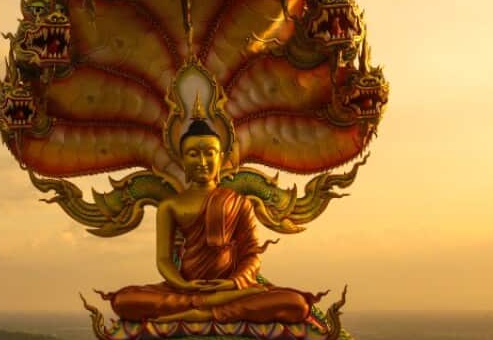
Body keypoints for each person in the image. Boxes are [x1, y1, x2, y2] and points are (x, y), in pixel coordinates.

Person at [98, 110, 326, 325]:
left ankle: (201, 311)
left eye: (209, 153)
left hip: (232, 289)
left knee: (295, 304)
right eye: (193, 154)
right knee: (125, 300)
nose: (202, 161)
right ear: (181, 159)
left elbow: (252, 255)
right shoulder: (171, 206)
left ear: (222, 157)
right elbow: (164, 260)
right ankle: (212, 308)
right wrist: (183, 285)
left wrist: (233, 283)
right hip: (187, 289)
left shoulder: (239, 202)